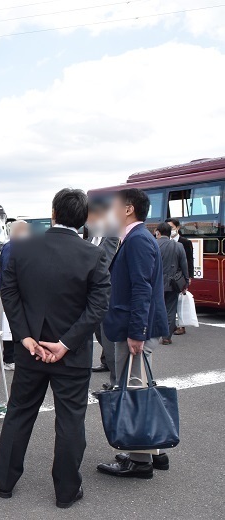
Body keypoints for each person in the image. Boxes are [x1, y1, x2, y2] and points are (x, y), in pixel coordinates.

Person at [0, 188, 111, 509]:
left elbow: (9, 292)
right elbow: (98, 306)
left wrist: (26, 337)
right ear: (84, 218)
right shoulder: (92, 254)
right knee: (70, 419)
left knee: (19, 412)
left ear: (54, 213)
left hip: (29, 349)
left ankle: (5, 481)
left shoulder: (21, 248)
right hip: (71, 353)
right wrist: (65, 343)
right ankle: (66, 491)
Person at [98, 188, 169, 479]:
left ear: (128, 209)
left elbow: (142, 288)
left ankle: (139, 461)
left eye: (114, 206)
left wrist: (137, 331)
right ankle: (155, 451)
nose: (110, 211)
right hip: (131, 326)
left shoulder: (138, 240)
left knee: (134, 390)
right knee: (137, 386)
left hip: (133, 328)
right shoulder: (137, 238)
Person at [85, 201, 120, 386]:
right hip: (93, 295)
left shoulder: (112, 236)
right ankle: (106, 362)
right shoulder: (91, 237)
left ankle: (116, 377)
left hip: (107, 294)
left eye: (91, 216)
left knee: (108, 336)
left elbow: (103, 264)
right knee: (99, 332)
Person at [0, 220, 30, 372]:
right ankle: (9, 358)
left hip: (12, 292)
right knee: (12, 326)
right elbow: (7, 273)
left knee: (13, 325)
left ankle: (12, 357)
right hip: (13, 293)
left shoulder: (11, 246)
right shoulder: (12, 247)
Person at [155, 222, 189, 345]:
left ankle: (154, 333)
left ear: (158, 232)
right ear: (170, 233)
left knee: (156, 308)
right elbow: (184, 265)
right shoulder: (178, 246)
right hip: (173, 283)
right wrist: (186, 282)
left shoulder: (153, 244)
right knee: (170, 309)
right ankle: (166, 337)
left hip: (155, 283)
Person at [165, 218, 194, 335]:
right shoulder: (165, 241)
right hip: (167, 277)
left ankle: (182, 326)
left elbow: (189, 261)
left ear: (178, 228)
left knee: (180, 301)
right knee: (170, 303)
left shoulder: (185, 242)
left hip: (180, 276)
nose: (170, 230)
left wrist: (189, 277)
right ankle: (171, 326)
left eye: (172, 228)